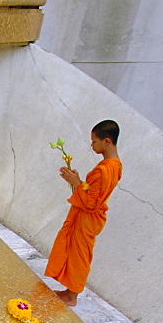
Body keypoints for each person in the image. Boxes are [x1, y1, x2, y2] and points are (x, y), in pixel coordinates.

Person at [45, 120, 123, 306]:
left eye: (94, 141)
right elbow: (92, 192)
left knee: (80, 255)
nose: (92, 145)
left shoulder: (106, 169)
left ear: (107, 141)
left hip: (88, 218)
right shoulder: (114, 165)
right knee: (74, 251)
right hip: (86, 216)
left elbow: (91, 202)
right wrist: (77, 181)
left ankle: (72, 296)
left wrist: (76, 183)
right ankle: (69, 291)